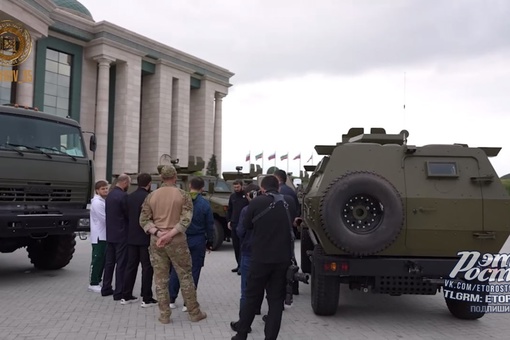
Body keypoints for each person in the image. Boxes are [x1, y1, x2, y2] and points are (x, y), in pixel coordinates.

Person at [139, 165, 207, 324]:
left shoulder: (151, 196)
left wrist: (158, 233)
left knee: (160, 279)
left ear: (161, 178)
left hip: (157, 240)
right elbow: (186, 220)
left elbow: (143, 220)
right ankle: (194, 312)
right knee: (185, 276)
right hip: (176, 240)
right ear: (175, 177)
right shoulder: (183, 195)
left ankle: (164, 315)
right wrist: (170, 234)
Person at [231, 175, 296, 340]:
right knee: (275, 301)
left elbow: (246, 226)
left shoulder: (257, 202)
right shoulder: (289, 203)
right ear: (279, 187)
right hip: (282, 260)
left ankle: (241, 334)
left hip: (259, 258)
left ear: (262, 188)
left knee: (252, 296)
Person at [169, 177, 214, 311]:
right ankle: (188, 303)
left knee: (177, 269)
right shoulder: (205, 204)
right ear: (202, 188)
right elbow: (209, 225)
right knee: (194, 271)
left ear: (189, 186)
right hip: (198, 240)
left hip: (180, 238)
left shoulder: (181, 201)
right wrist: (209, 242)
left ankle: (171, 299)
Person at [121, 173, 157, 307]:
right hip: (146, 237)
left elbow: (125, 215)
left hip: (131, 237)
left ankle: (126, 295)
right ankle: (146, 298)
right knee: (147, 268)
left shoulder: (129, 197)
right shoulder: (150, 197)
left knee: (131, 266)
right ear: (149, 184)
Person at [101, 174, 130, 301]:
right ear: (124, 182)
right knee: (121, 263)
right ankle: (119, 292)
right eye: (128, 183)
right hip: (121, 234)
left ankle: (106, 287)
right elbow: (127, 215)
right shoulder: (123, 196)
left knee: (109, 262)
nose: (128, 186)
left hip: (110, 234)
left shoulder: (110, 195)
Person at [88, 180, 109, 293]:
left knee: (102, 260)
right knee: (97, 259)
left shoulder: (103, 201)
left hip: (104, 235)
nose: (105, 190)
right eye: (103, 189)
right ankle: (93, 282)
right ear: (97, 190)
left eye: (106, 188)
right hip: (99, 236)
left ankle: (97, 280)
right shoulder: (97, 203)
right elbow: (104, 218)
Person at [227, 179, 249, 274]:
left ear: (242, 186)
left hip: (243, 225)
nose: (236, 189)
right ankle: (238, 264)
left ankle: (242, 266)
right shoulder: (232, 197)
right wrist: (229, 221)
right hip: (234, 224)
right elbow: (230, 210)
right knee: (236, 246)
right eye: (235, 187)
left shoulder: (246, 197)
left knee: (242, 246)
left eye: (238, 187)